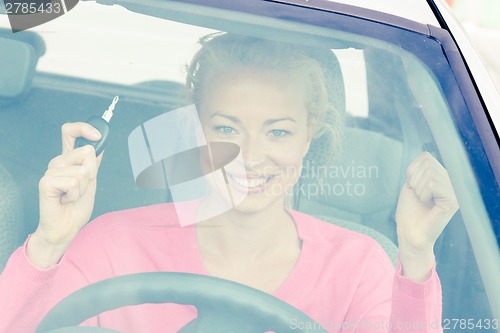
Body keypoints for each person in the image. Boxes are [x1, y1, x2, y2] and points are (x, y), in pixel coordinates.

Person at [0, 33, 459, 332]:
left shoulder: (359, 266)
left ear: (308, 138)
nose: (251, 156)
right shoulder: (109, 245)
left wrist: (416, 256)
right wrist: (49, 243)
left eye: (278, 131)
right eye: (225, 129)